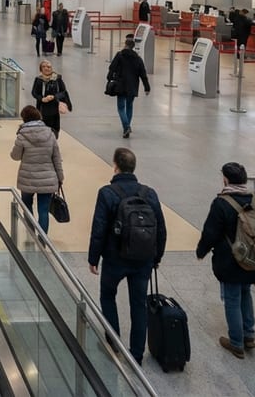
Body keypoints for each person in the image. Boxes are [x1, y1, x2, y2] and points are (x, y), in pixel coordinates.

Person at [87, 147, 166, 365]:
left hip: (115, 259)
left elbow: (99, 228)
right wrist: (156, 257)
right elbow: (160, 228)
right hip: (143, 260)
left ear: (115, 166)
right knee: (138, 304)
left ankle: (113, 342)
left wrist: (93, 258)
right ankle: (137, 354)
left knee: (107, 295)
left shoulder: (107, 193)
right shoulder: (149, 193)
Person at [196, 161, 255, 359]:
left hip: (231, 260)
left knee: (232, 299)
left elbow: (211, 232)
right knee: (246, 293)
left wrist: (201, 251)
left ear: (225, 179)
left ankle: (236, 342)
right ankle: (249, 335)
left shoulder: (221, 203)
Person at [10, 105, 63, 234]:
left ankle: (31, 233)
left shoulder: (22, 135)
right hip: (47, 179)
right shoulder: (50, 133)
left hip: (27, 179)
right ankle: (43, 240)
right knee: (43, 210)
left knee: (27, 207)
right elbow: (57, 157)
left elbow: (15, 156)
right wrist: (60, 177)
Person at [107, 37, 151, 138]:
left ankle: (126, 127)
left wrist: (109, 79)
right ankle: (127, 125)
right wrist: (147, 87)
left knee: (121, 107)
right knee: (129, 106)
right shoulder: (138, 59)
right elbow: (143, 74)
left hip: (120, 85)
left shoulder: (119, 55)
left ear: (125, 44)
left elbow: (112, 68)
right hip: (132, 86)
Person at [31, 59, 72, 137]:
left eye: (49, 67)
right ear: (41, 69)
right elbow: (34, 93)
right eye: (44, 67)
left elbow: (63, 92)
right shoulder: (38, 80)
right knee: (42, 129)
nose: (46, 68)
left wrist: (54, 97)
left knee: (55, 130)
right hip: (42, 109)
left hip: (54, 109)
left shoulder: (57, 79)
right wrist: (42, 99)